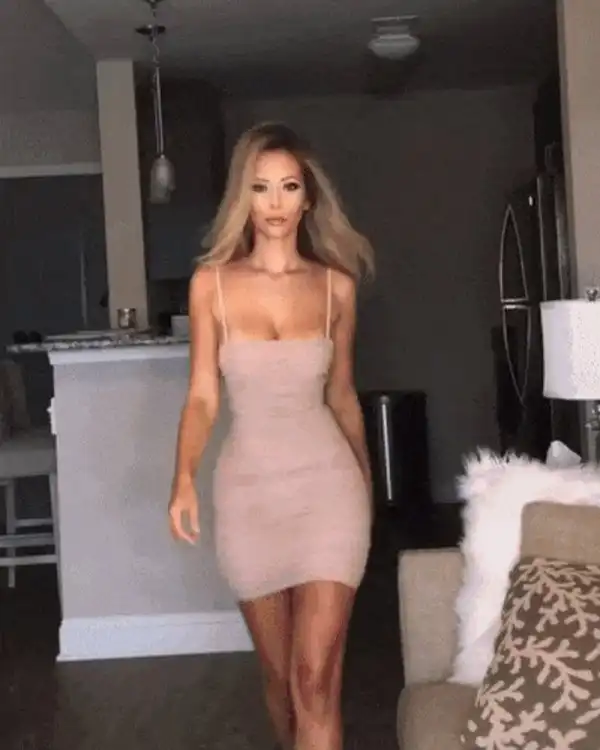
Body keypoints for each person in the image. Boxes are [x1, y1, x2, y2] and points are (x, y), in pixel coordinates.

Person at [168, 121, 374, 750]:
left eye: (289, 186)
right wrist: (183, 478)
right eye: (261, 188)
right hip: (249, 497)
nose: (276, 203)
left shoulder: (337, 288)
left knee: (315, 681)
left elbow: (342, 395)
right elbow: (203, 395)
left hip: (329, 494)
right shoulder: (211, 285)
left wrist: (367, 487)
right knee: (282, 682)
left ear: (308, 197)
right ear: (244, 198)